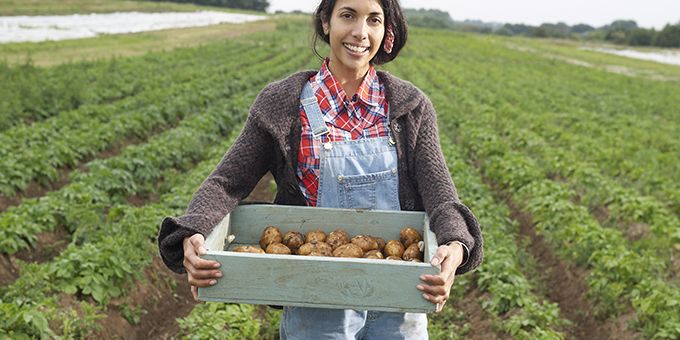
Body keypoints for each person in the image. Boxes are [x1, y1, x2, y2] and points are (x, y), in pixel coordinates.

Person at [158, 0, 483, 338]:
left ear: (386, 31)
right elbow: (227, 182)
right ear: (325, 23)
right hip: (314, 298)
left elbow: (440, 194)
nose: (360, 32)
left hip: (400, 298)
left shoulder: (409, 107)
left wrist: (455, 244)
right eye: (347, 16)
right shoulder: (282, 103)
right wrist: (194, 230)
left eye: (373, 19)